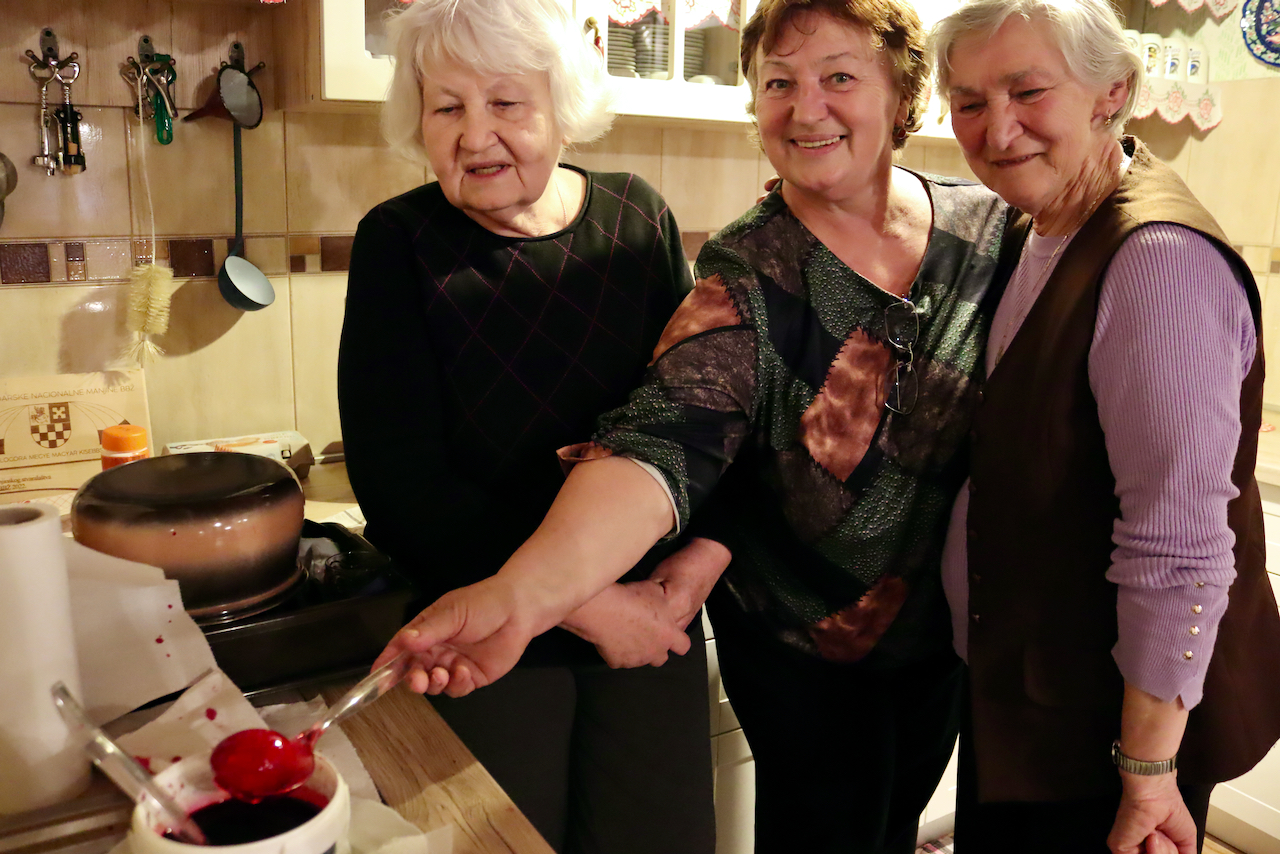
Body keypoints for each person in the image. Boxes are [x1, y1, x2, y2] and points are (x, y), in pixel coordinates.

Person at [375, 0, 1016, 850]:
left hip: (943, 634)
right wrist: (528, 598)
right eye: (779, 83)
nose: (806, 108)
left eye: (838, 77)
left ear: (903, 92)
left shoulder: (995, 229)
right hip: (792, 646)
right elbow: (668, 433)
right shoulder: (747, 271)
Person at [335, 1, 716, 851]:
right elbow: (401, 489)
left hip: (651, 628)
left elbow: (697, 420)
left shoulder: (637, 220)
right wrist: (587, 603)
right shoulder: (400, 242)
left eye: (505, 102)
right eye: (446, 106)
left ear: (560, 103)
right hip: (485, 638)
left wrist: (691, 572)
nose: (475, 135)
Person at [928, 0, 1280, 850]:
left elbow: (1179, 546)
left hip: (1104, 737)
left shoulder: (1157, 262)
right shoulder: (1041, 224)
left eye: (1028, 92)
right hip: (1033, 702)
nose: (997, 129)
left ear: (1110, 92)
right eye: (969, 102)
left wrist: (1149, 771)